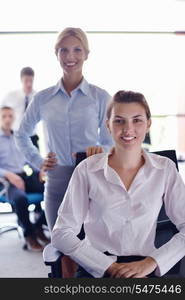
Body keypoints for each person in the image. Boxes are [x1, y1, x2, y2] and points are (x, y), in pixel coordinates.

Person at [51, 90, 185, 278]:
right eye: (119, 120)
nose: (128, 129)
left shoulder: (165, 169)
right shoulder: (87, 169)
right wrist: (109, 267)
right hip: (96, 267)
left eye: (137, 120)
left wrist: (151, 263)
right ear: (108, 125)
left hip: (146, 267)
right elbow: (61, 233)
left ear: (148, 124)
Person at [15, 28, 113, 276]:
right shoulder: (43, 98)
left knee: (92, 250)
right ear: (56, 54)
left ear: (87, 54)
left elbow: (113, 140)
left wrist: (101, 150)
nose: (71, 56)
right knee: (63, 250)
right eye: (64, 50)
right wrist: (38, 162)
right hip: (57, 182)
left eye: (77, 49)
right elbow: (21, 133)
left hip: (92, 180)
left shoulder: (100, 97)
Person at [0, 106, 49, 251]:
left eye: (10, 116)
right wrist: (10, 175)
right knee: (21, 199)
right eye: (4, 116)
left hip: (24, 176)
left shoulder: (19, 138)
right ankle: (30, 236)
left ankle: (37, 227)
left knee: (54, 190)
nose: (8, 119)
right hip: (6, 181)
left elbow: (29, 159)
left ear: (14, 118)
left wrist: (40, 169)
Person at [2, 67, 39, 148]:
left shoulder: (38, 97)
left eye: (31, 81)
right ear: (21, 80)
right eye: (26, 80)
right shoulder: (11, 96)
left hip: (32, 138)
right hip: (15, 138)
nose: (29, 84)